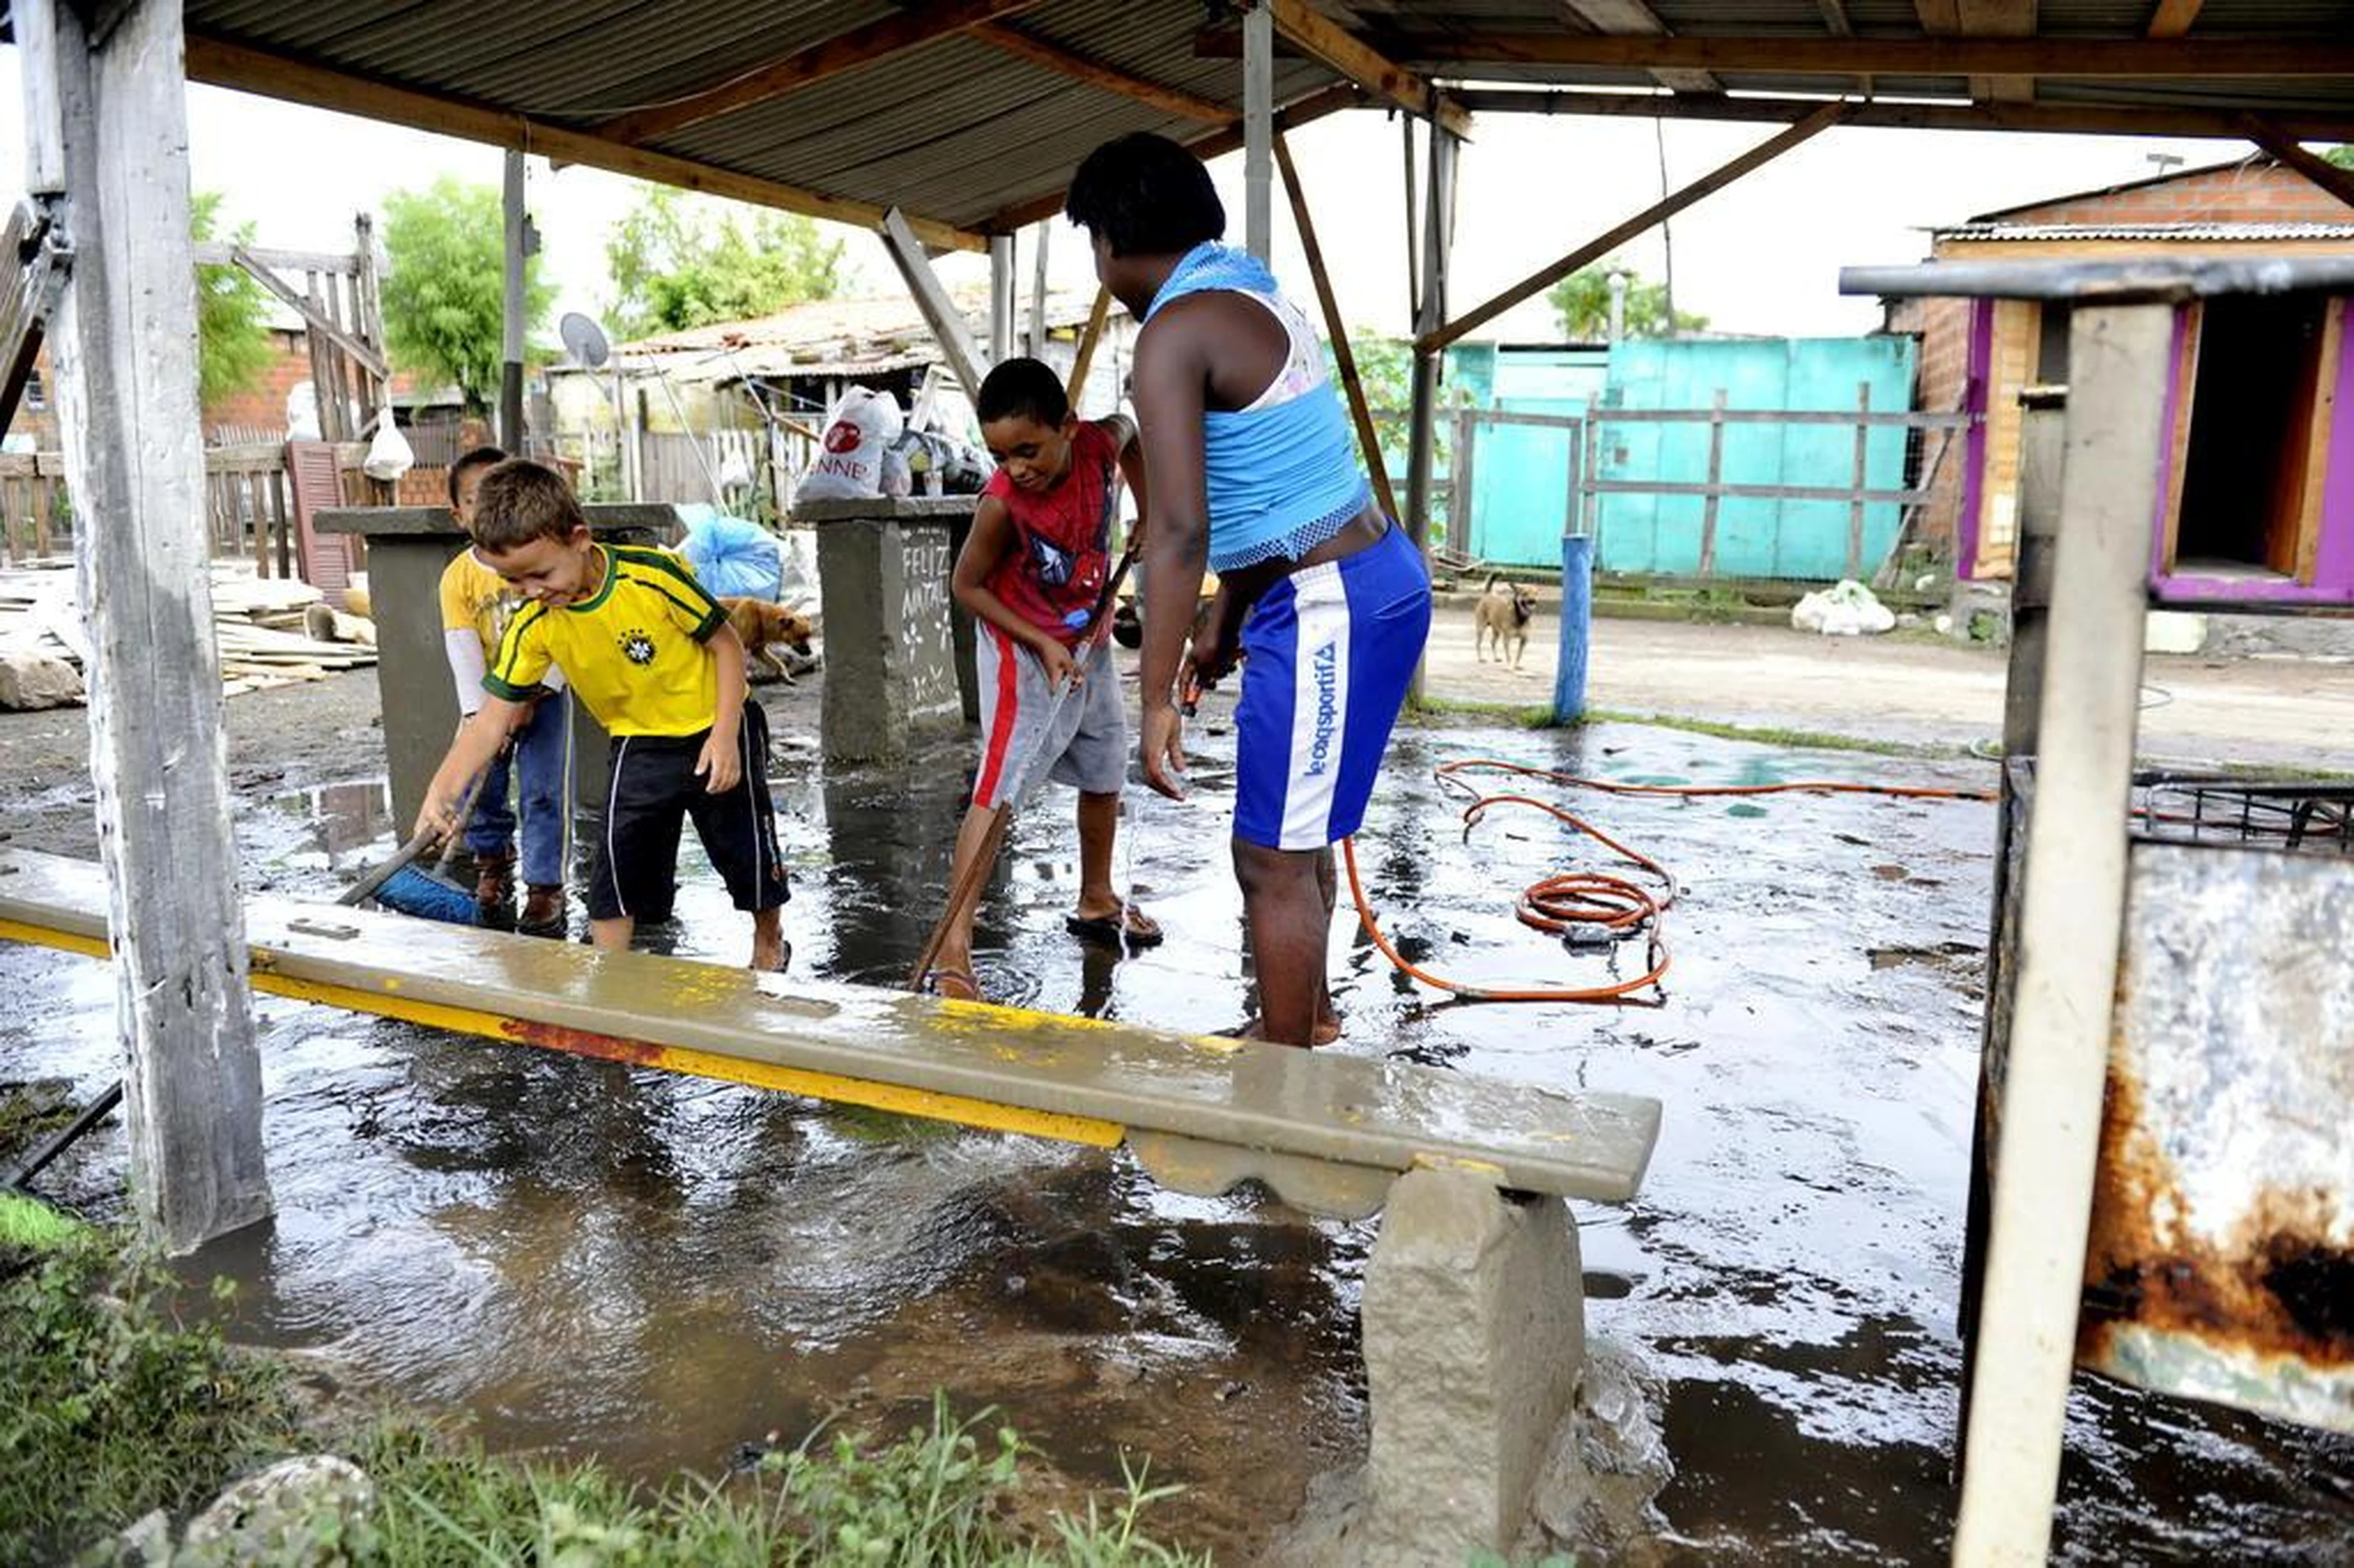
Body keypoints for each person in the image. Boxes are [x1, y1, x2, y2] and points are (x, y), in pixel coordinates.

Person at [1065, 132, 1431, 1048]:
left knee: (1269, 854)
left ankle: (1286, 1081)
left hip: (1328, 598)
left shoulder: (1170, 335)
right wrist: (1220, 627)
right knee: (1290, 841)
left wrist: (1154, 700)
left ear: (1110, 241)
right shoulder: (1252, 291)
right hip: (1359, 575)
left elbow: (1180, 530)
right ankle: (1310, 1020)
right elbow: (1273, 502)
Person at [411, 460, 787, 971]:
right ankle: (608, 971)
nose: (532, 591)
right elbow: (492, 719)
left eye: (540, 573)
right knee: (616, 860)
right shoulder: (535, 625)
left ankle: (769, 941)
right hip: (638, 740)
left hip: (715, 724)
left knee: (743, 849)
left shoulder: (652, 578)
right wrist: (441, 790)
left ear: (580, 539)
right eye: (514, 581)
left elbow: (726, 646)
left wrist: (724, 735)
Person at [922, 357, 1157, 1002]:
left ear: (1069, 428)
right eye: (1002, 454)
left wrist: (1148, 511)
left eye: (1029, 450)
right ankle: (953, 948)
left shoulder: (1101, 445)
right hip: (1020, 643)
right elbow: (965, 586)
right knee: (999, 789)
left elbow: (1133, 429)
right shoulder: (1001, 505)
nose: (1017, 467)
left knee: (1106, 764)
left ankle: (1096, 897)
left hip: (1089, 632)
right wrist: (1042, 643)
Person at [436, 444, 571, 935]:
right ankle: (493, 859)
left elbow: (561, 633)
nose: (489, 508)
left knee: (542, 789)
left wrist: (534, 696)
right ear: (458, 514)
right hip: (487, 700)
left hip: (545, 693)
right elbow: (462, 649)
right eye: (476, 499)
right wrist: (481, 714)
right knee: (482, 782)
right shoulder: (458, 579)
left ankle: (544, 885)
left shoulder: (540, 565)